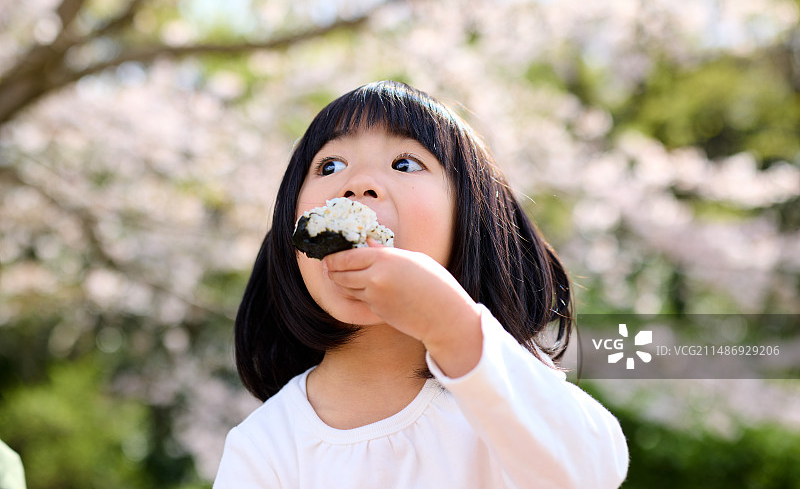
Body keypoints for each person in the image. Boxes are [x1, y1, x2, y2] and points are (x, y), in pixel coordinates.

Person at [214, 80, 629, 488]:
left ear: (469, 223)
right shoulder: (265, 445)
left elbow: (592, 473)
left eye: (404, 163)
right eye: (330, 166)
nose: (358, 184)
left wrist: (451, 326)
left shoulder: (499, 389)